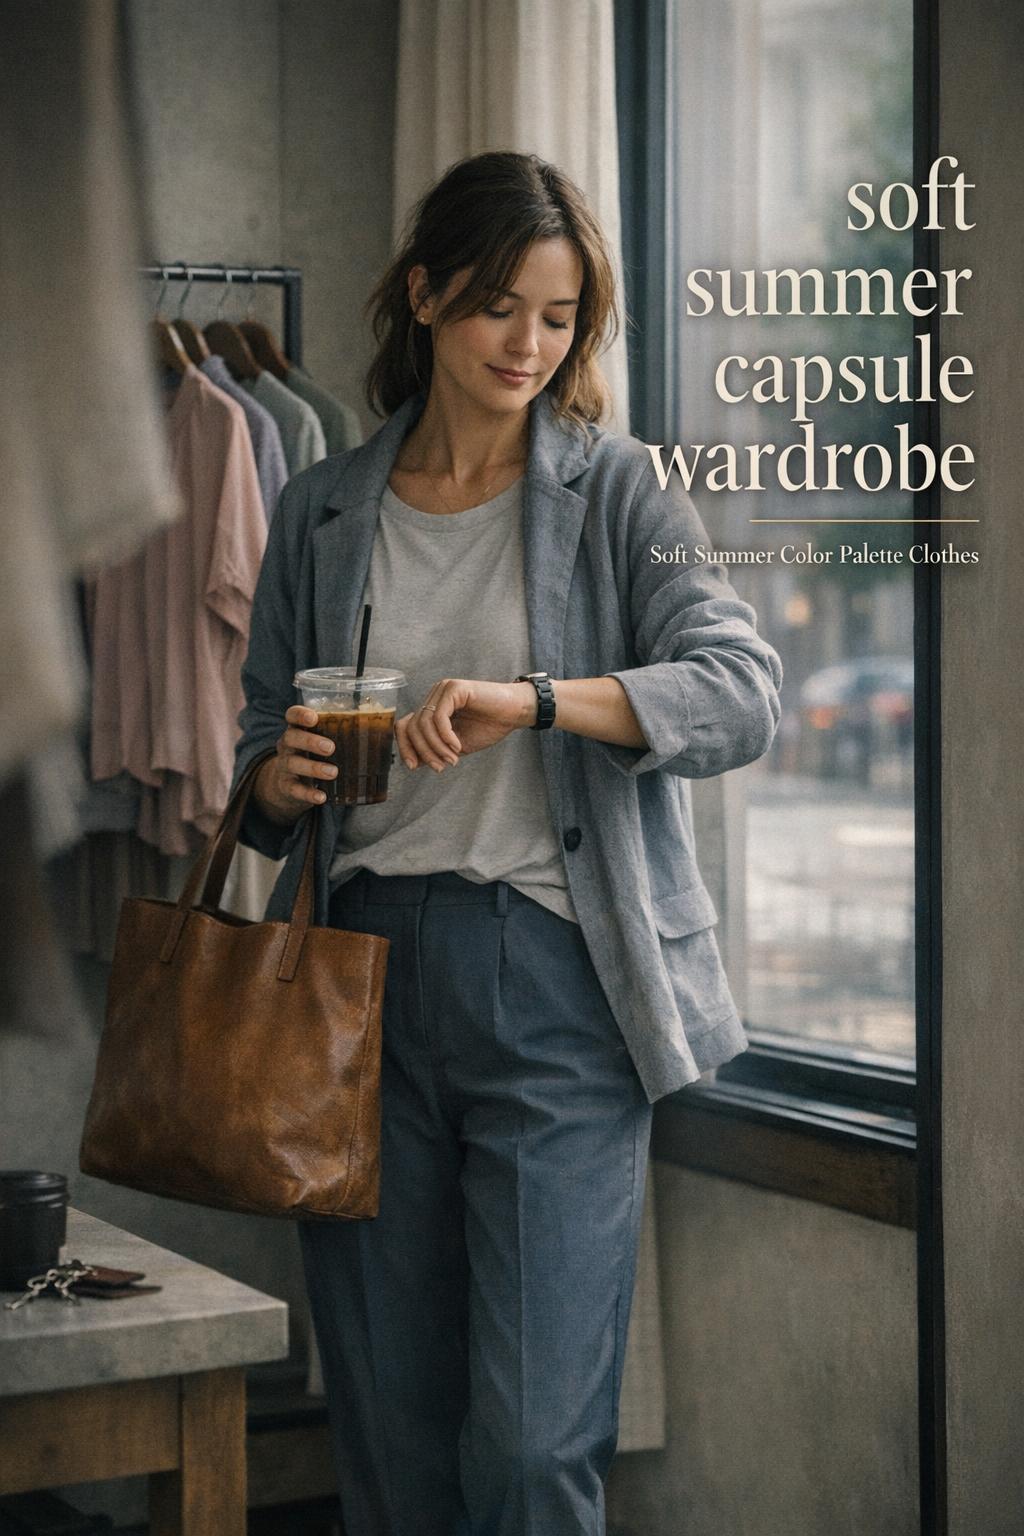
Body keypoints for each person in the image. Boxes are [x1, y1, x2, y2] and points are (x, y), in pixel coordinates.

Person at [231, 150, 782, 1536]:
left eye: (558, 316)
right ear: (424, 297)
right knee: (393, 1439)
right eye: (497, 310)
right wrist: (283, 782)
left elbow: (740, 691)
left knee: (535, 1450)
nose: (529, 345)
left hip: (554, 990)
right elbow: (253, 762)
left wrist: (535, 703)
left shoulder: (623, 493)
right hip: (354, 995)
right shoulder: (322, 508)